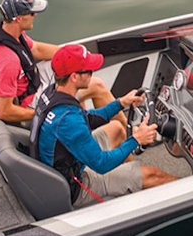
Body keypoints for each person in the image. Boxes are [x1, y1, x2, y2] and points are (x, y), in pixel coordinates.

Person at [32, 43, 179, 206]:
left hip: (69, 158)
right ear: (74, 77)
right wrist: (137, 139)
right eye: (88, 70)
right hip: (76, 185)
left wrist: (121, 103)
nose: (92, 73)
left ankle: (132, 182)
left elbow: (87, 118)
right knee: (154, 175)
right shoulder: (69, 121)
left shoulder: (52, 92)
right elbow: (102, 164)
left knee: (117, 128)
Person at [0, 0, 113, 126]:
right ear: (18, 19)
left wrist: (71, 53)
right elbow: (4, 112)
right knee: (97, 85)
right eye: (31, 13)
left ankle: (81, 123)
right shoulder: (7, 62)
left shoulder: (8, 30)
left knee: (73, 68)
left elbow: (36, 49)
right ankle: (118, 131)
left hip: (31, 80)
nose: (35, 15)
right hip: (29, 101)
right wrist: (44, 112)